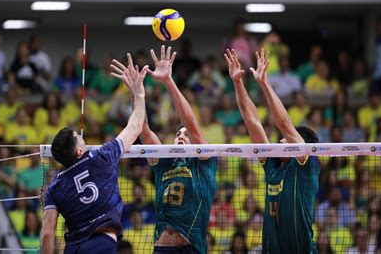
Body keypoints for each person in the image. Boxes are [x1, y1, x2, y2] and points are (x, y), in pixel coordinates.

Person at [111, 47, 217, 254]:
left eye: (186, 135)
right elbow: (143, 129)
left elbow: (191, 123)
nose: (181, 136)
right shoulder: (164, 164)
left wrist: (168, 81)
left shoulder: (203, 162)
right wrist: (136, 93)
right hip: (161, 248)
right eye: (178, 134)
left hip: (190, 246)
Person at [40, 62, 148, 254]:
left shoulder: (54, 187)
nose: (82, 136)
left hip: (73, 248)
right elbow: (135, 126)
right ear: (79, 152)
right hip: (101, 244)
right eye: (78, 137)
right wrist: (139, 93)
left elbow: (48, 232)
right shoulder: (102, 157)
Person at [224, 48, 320, 253]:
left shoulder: (306, 166)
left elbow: (285, 124)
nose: (282, 140)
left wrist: (264, 83)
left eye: (288, 140)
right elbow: (252, 123)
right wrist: (238, 82)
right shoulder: (272, 166)